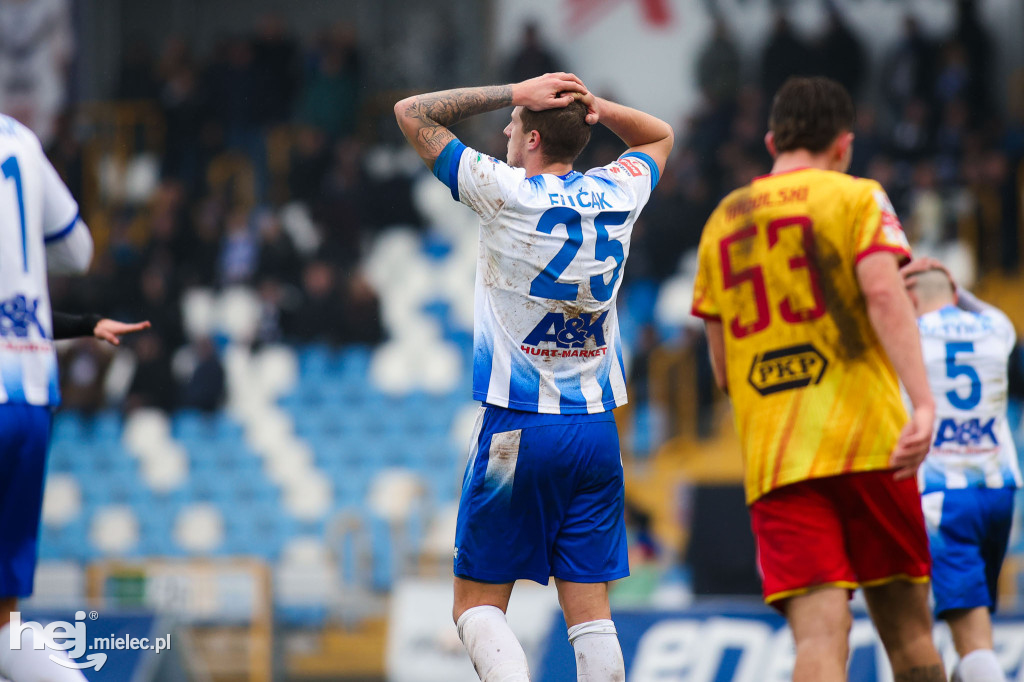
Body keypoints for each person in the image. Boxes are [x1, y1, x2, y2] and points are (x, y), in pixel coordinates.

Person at [395, 73, 672, 681]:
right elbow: (659, 137)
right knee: (591, 614)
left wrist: (516, 91)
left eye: (514, 124)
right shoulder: (616, 190)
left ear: (534, 137)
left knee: (475, 606)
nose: (505, 131)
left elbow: (412, 112)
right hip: (595, 432)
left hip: (516, 430)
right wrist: (594, 106)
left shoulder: (504, 190)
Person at [690, 76, 944, 682]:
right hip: (871, 445)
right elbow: (883, 292)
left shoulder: (723, 220)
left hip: (779, 461)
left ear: (772, 141)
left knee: (820, 640)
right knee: (910, 636)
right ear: (843, 145)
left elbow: (723, 373)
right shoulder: (857, 196)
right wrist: (924, 403)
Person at [902, 257, 1019, 682]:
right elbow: (971, 304)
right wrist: (948, 282)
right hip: (1000, 490)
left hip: (943, 499)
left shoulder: (908, 335)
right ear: (953, 291)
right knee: (975, 622)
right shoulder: (998, 327)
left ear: (910, 298)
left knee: (972, 639)